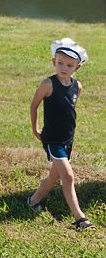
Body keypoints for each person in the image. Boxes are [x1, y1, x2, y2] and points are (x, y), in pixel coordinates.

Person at [27, 38, 95, 231]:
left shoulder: (77, 86)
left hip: (67, 139)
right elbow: (34, 106)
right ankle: (80, 218)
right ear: (53, 62)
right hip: (53, 139)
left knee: (54, 177)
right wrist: (35, 129)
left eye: (69, 65)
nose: (64, 68)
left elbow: (68, 110)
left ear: (77, 67)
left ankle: (33, 200)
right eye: (60, 63)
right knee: (68, 176)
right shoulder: (48, 84)